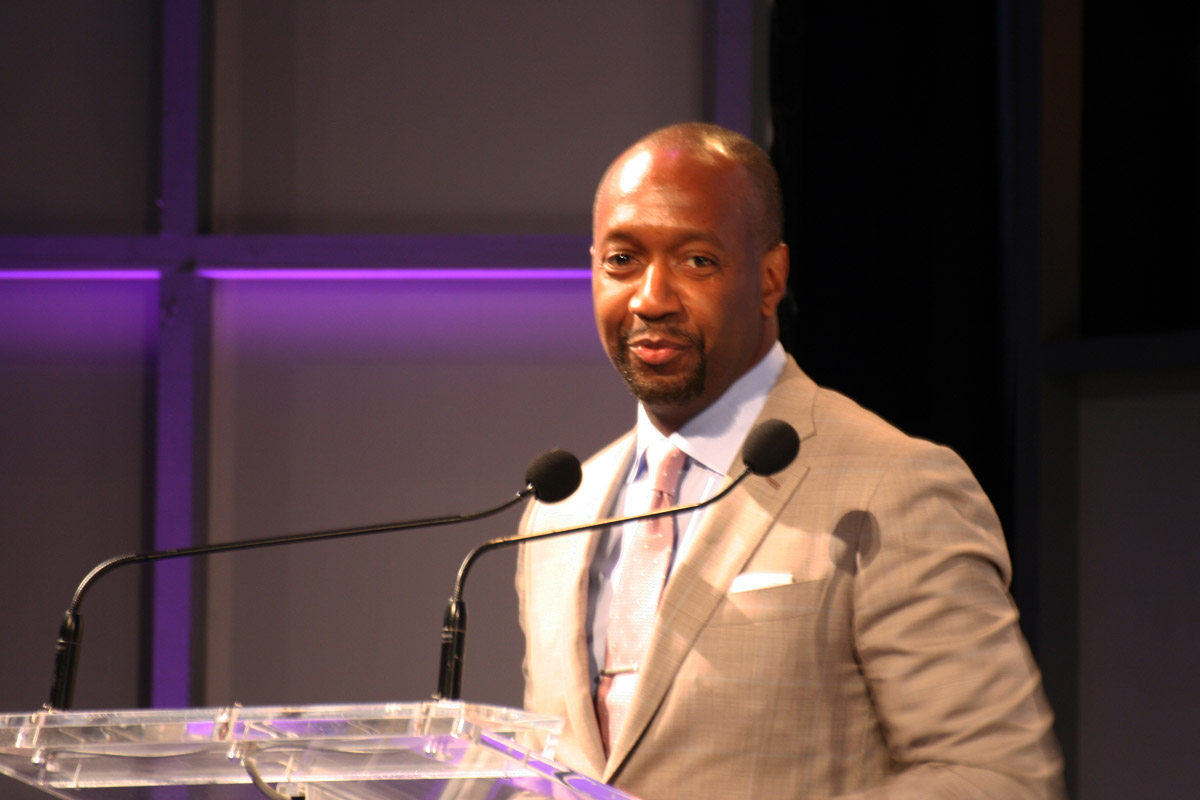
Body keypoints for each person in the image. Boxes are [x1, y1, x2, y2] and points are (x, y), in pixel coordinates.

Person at [515, 122, 1065, 799]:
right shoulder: (556, 510)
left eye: (697, 261)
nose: (651, 299)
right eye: (622, 260)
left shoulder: (896, 485)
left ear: (770, 278)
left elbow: (997, 780)